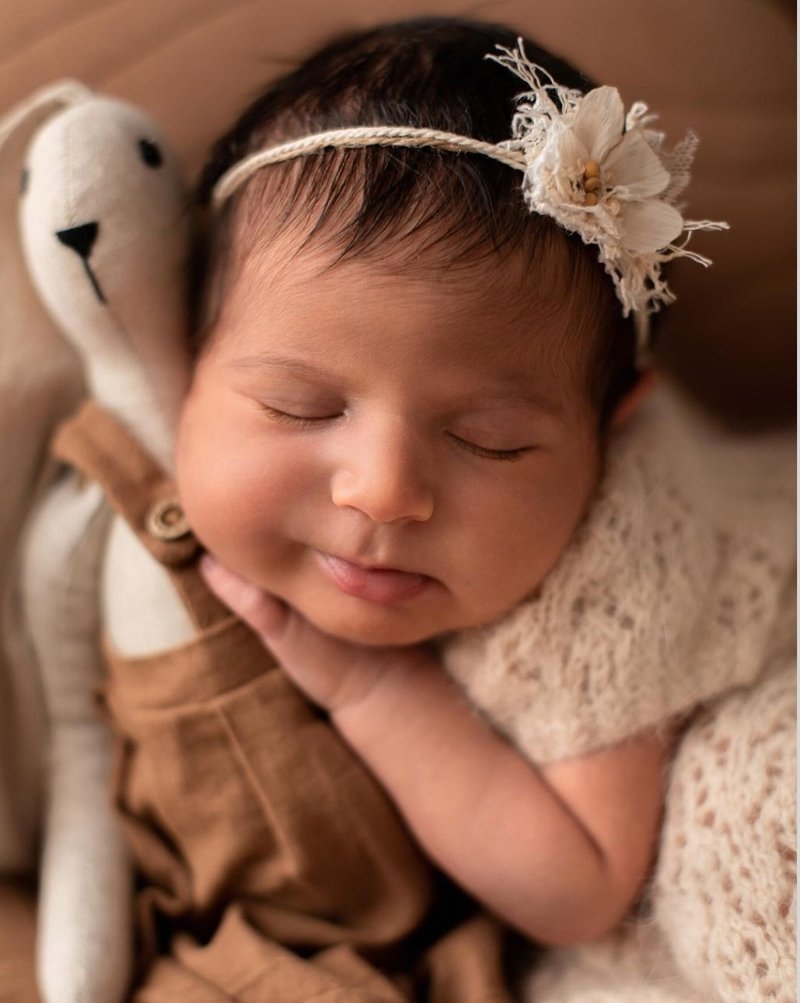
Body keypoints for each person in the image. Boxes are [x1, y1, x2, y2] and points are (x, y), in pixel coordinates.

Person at [50, 15, 792, 1002]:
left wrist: (371, 689)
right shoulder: (93, 494)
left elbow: (579, 887)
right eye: (298, 406)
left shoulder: (624, 564)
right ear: (186, 362)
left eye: (489, 439)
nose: (383, 490)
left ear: (610, 432)